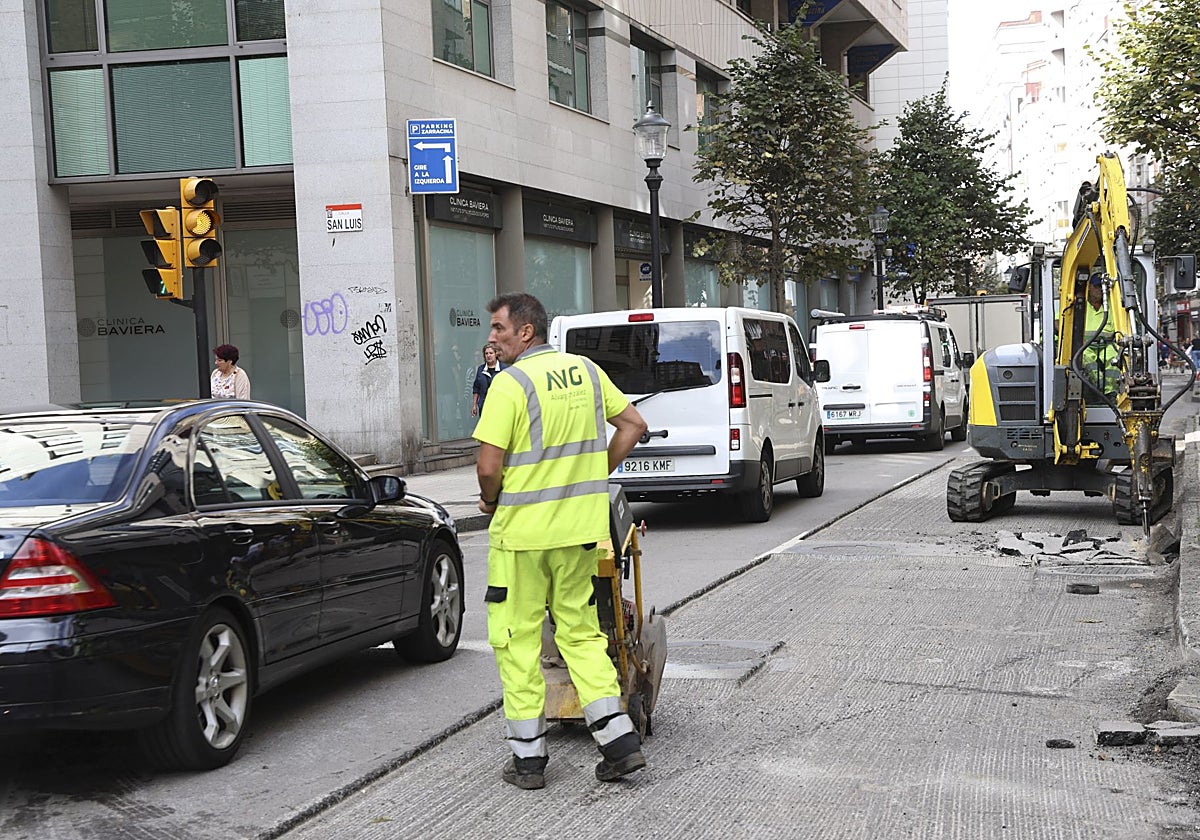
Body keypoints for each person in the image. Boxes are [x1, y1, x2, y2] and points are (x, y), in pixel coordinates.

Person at [473, 292, 649, 790]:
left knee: (516, 641)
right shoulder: (588, 373)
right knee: (580, 634)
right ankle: (620, 745)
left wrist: (493, 499)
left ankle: (528, 762)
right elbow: (634, 425)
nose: (492, 337)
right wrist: (593, 474)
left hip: (522, 540)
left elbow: (488, 466)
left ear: (525, 331)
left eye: (499, 329)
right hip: (579, 533)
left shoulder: (510, 385)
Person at [1081, 274, 1118, 398]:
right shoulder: (1080, 306)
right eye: (1097, 286)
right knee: (1087, 359)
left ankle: (1110, 392)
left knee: (1115, 359)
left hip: (1107, 344)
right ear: (1089, 288)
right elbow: (1059, 322)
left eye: (1103, 287)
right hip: (1086, 345)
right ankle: (1099, 389)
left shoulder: (1113, 307)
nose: (1101, 290)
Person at [471, 343, 503, 419]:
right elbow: (476, 388)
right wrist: (474, 405)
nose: (488, 355)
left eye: (491, 353)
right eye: (486, 353)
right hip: (484, 406)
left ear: (496, 354)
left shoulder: (503, 369)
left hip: (499, 406)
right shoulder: (481, 369)